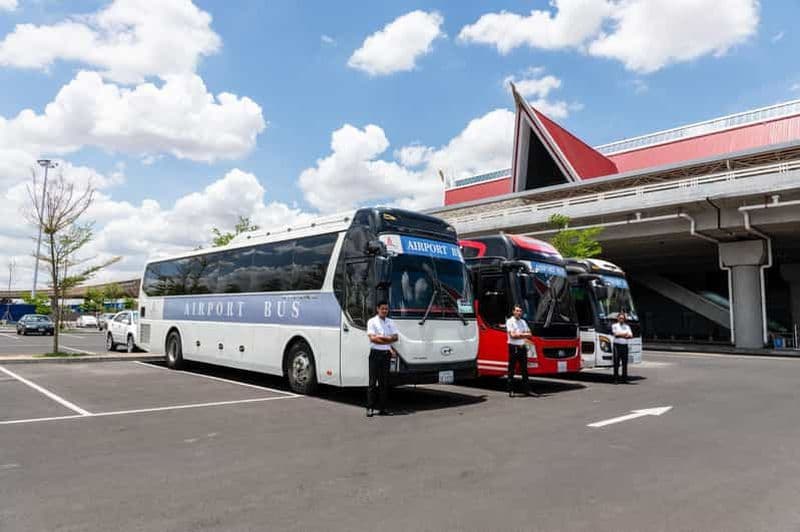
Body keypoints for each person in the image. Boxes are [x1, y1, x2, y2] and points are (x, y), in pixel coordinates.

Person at [366, 301, 398, 416]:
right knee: (372, 382)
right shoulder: (372, 321)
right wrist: (388, 339)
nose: (385, 311)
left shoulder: (390, 322)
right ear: (377, 309)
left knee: (384, 383)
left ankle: (383, 409)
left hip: (386, 354)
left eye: (386, 309)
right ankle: (370, 408)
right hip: (375, 354)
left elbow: (396, 337)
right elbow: (373, 339)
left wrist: (382, 338)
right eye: (382, 309)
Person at [506, 304, 533, 397]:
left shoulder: (523, 322)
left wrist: (519, 334)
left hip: (522, 347)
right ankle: (511, 390)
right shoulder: (510, 321)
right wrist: (524, 334)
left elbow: (530, 334)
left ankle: (527, 390)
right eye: (517, 311)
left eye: (520, 311)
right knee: (511, 369)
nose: (519, 313)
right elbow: (512, 336)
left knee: (524, 370)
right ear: (513, 312)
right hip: (513, 347)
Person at [611, 312, 633, 384]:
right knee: (616, 363)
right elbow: (616, 334)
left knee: (625, 363)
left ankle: (624, 379)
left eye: (623, 318)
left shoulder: (627, 326)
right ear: (617, 318)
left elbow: (631, 335)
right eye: (620, 318)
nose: (621, 319)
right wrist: (625, 334)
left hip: (624, 346)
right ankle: (616, 379)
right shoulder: (614, 325)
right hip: (617, 346)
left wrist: (621, 335)